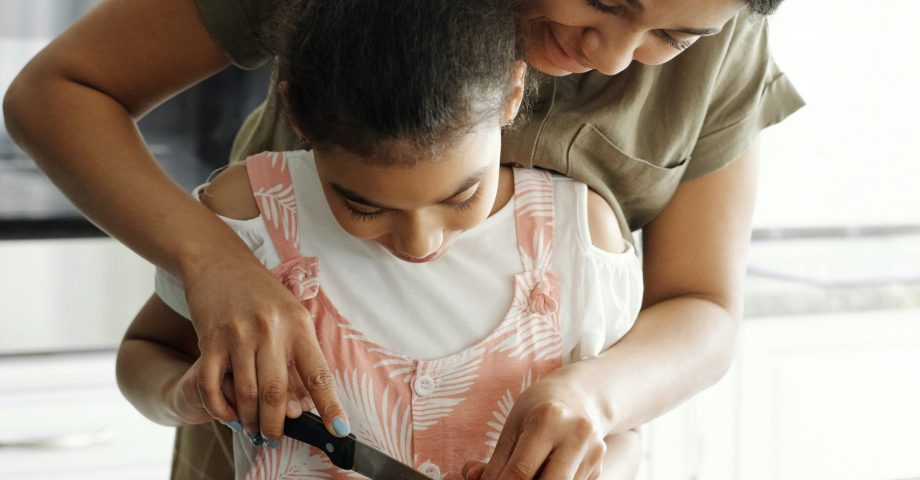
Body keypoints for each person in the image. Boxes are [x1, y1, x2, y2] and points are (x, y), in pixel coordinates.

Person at [2, 0, 803, 477]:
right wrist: (212, 261)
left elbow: (701, 306)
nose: (621, 56)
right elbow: (59, 92)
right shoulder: (252, 208)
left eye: (675, 37)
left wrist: (595, 400)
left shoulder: (719, 30)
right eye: (606, 1)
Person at [116, 0, 644, 478]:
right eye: (364, 206)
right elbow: (146, 351)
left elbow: (622, 435)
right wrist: (187, 397)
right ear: (296, 113)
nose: (419, 242)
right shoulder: (251, 214)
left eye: (461, 197)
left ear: (512, 94)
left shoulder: (577, 236)